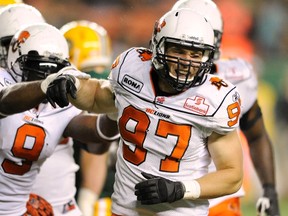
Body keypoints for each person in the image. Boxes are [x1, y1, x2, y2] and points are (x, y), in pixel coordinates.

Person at [41, 9, 243, 215]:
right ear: (158, 46)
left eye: (195, 54)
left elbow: (232, 175)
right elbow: (96, 96)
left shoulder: (216, 98)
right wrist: (72, 81)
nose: (186, 62)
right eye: (178, 51)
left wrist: (181, 189)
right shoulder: (133, 69)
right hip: (125, 209)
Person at [172, 0, 280, 216]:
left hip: (219, 199)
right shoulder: (142, 76)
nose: (189, 54)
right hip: (166, 199)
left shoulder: (236, 77)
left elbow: (256, 134)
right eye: (180, 45)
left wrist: (269, 189)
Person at [0, 22, 118, 216]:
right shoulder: (5, 80)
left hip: (20, 207)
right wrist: (44, 86)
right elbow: (4, 102)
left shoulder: (61, 93)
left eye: (54, 70)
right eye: (38, 67)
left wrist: (115, 113)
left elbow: (95, 135)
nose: (47, 74)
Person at [59, 20, 115, 216]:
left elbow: (95, 150)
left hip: (96, 200)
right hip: (119, 194)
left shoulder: (81, 85)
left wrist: (86, 202)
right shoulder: (115, 80)